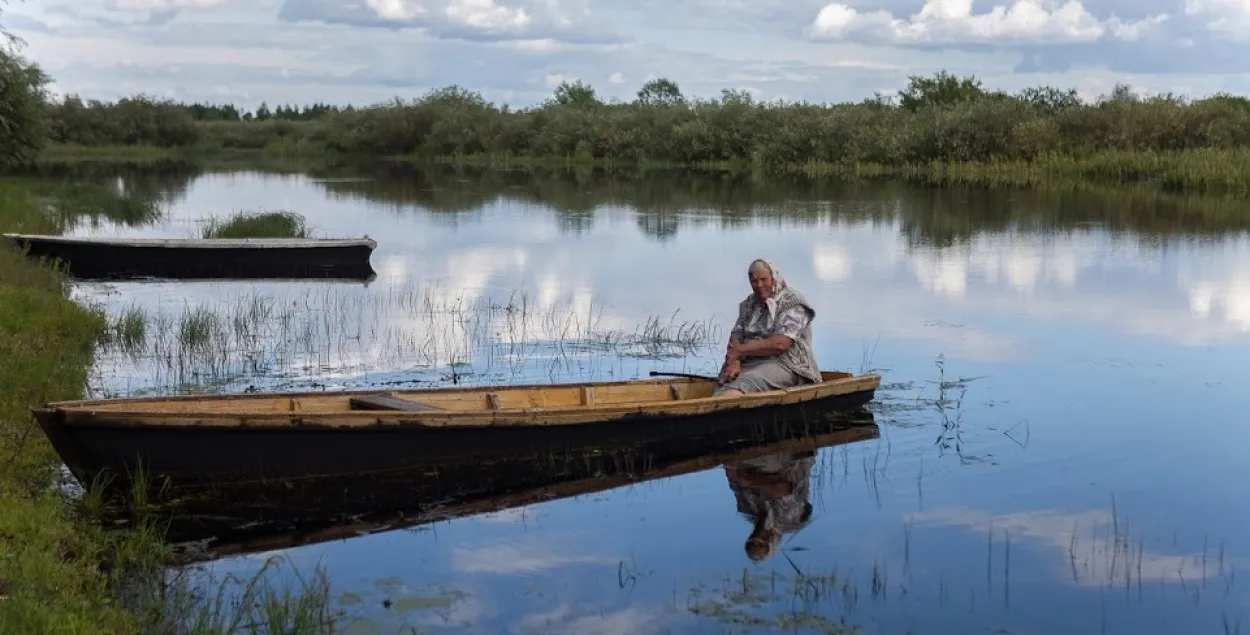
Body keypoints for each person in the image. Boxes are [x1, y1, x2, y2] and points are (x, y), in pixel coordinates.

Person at [714, 258, 822, 397]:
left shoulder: (793, 302)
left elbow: (780, 344)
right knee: (723, 385)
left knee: (745, 383)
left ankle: (727, 409)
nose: (759, 285)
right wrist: (734, 361)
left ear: (774, 278)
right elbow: (736, 335)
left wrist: (739, 351)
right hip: (750, 361)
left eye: (764, 279)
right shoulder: (749, 303)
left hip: (786, 365)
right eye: (754, 281)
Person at [724, 449, 817, 562]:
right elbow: (781, 488)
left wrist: (744, 478)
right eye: (761, 541)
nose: (758, 535)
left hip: (755, 462)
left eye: (753, 540)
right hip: (788, 460)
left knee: (730, 461)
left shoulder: (745, 509)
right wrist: (749, 481)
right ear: (771, 542)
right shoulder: (791, 521)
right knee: (768, 467)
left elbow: (732, 475)